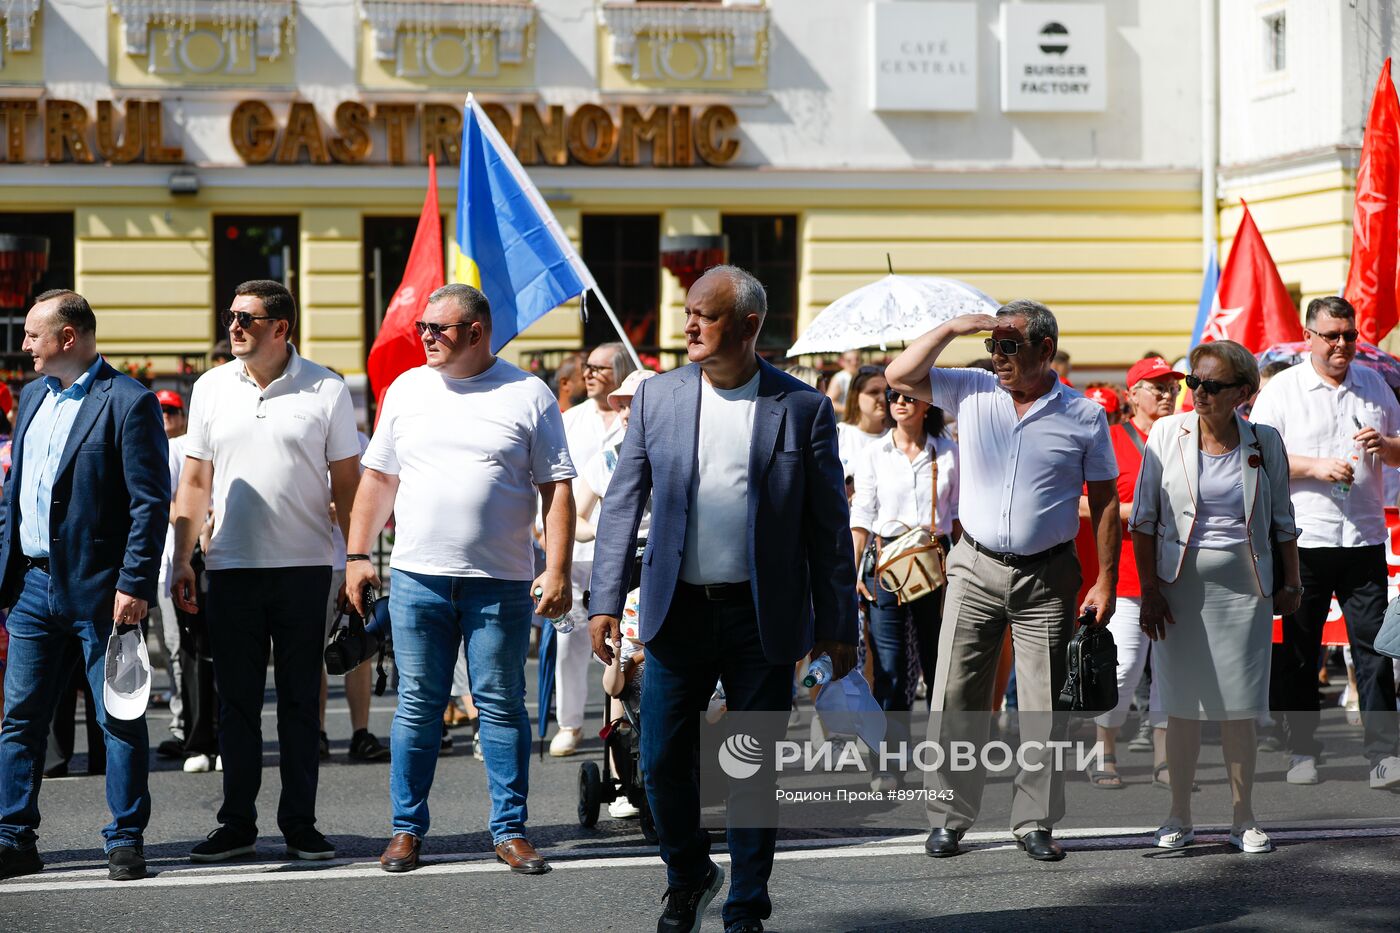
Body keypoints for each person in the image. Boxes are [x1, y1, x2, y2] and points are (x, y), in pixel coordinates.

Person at [589, 265, 858, 932]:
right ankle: (688, 873)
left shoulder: (802, 407)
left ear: (747, 326)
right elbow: (623, 502)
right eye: (688, 313)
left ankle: (746, 904)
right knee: (656, 758)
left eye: (703, 316)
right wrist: (602, 600)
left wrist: (838, 626)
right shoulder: (659, 398)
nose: (688, 326)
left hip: (761, 617)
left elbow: (828, 528)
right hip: (675, 610)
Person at [344, 283, 575, 876]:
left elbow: (557, 488)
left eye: (437, 329)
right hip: (419, 577)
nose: (424, 337)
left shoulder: (528, 392)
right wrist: (357, 554)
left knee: (499, 706)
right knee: (418, 706)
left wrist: (556, 568)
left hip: (500, 581)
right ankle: (405, 830)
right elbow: (377, 480)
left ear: (476, 332)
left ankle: (510, 830)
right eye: (422, 327)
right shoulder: (406, 388)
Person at [885, 299, 1121, 862]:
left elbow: (1106, 499)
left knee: (1044, 707)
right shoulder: (971, 388)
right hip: (973, 564)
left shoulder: (1084, 414)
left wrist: (1106, 579)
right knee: (955, 697)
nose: (997, 356)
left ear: (1045, 349)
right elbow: (898, 375)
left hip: (1048, 574)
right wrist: (953, 328)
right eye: (993, 345)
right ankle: (948, 817)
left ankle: (1034, 820)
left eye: (1009, 346)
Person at [171, 279, 362, 863]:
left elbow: (349, 484)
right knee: (237, 705)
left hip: (305, 568)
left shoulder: (327, 388)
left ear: (281, 328)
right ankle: (237, 823)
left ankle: (300, 824)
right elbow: (196, 481)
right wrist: (181, 557)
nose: (234, 326)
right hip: (228, 568)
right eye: (231, 316)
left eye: (247, 319)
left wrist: (356, 560)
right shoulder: (209, 388)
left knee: (302, 702)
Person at [0, 289, 169, 882]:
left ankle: (126, 839)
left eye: (32, 335)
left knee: (118, 717)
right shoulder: (32, 398)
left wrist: (134, 582)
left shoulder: (128, 401)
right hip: (30, 588)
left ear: (67, 338)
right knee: (20, 719)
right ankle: (13, 837)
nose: (23, 346)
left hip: (103, 594)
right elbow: (15, 493)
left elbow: (151, 505)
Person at [1130, 339, 1302, 853]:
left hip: (1246, 591)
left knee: (1238, 708)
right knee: (1180, 706)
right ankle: (1178, 815)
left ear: (1243, 392)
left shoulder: (1263, 441)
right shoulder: (1166, 432)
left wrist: (1290, 583)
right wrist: (1150, 590)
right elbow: (1144, 519)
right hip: (1178, 589)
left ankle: (1243, 817)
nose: (1199, 392)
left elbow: (1283, 521)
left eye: (1212, 384)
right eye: (1193, 382)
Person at [1250, 296, 1400, 789]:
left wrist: (1389, 447)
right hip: (1304, 540)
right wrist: (1315, 467)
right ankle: (1301, 750)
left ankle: (1382, 754)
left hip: (1362, 537)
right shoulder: (1285, 390)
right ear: (1309, 336)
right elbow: (1258, 455)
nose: (1342, 345)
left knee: (1375, 651)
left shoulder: (1374, 385)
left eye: (1349, 336)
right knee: (1300, 650)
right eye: (1332, 335)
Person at [1080, 358, 1183, 790]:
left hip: (1177, 574)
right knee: (1120, 670)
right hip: (1124, 577)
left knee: (1172, 673)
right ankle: (1102, 753)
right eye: (1155, 387)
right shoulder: (1111, 439)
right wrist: (1137, 513)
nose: (1166, 394)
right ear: (1132, 394)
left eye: (1171, 387)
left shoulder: (1186, 439)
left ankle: (1164, 760)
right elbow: (1082, 505)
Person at [850, 388, 958, 791]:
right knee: (891, 670)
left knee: (939, 667)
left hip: (937, 563)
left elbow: (960, 516)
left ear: (926, 403)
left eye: (909, 396)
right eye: (893, 395)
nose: (898, 402)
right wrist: (852, 569)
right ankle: (889, 761)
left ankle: (943, 762)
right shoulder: (875, 453)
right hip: (887, 564)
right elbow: (862, 514)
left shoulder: (947, 451)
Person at [551, 342, 635, 758]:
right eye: (587, 367)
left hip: (628, 557)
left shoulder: (637, 416)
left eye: (600, 368)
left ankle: (619, 723)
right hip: (578, 552)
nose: (589, 374)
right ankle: (569, 723)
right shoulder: (569, 419)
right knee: (570, 641)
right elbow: (552, 479)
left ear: (619, 372)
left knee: (625, 646)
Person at [318, 421, 389, 764]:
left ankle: (360, 733)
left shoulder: (359, 440)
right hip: (312, 558)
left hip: (349, 558)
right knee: (312, 652)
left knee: (359, 648)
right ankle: (316, 732)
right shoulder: (307, 431)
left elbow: (372, 493)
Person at [148, 390, 188, 759]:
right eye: (159, 409)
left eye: (171, 409)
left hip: (185, 561)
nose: (165, 416)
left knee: (188, 651)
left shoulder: (186, 446)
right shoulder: (152, 447)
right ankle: (182, 723)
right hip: (163, 565)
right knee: (173, 650)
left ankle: (191, 725)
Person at [837, 365, 890, 485]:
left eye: (886, 392)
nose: (882, 398)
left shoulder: (896, 437)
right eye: (874, 392)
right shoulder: (839, 434)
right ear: (855, 397)